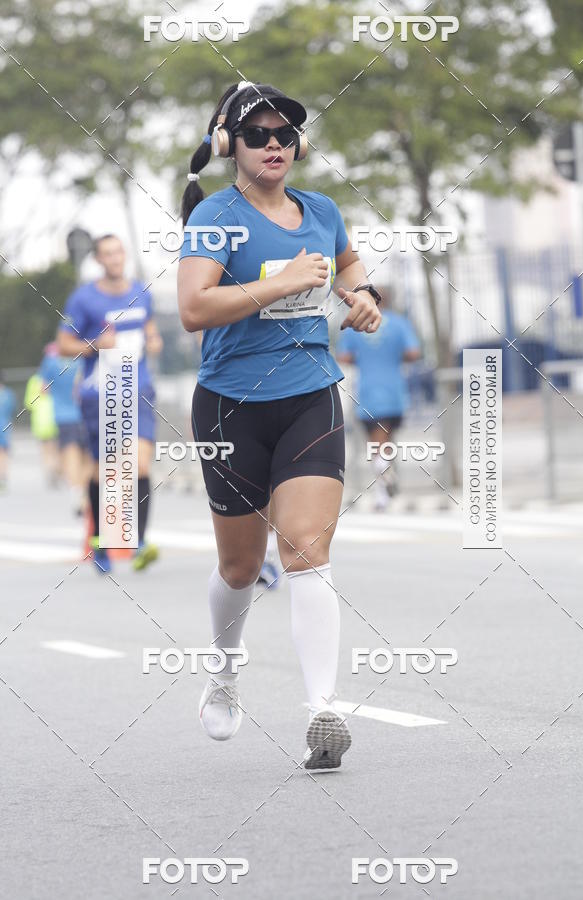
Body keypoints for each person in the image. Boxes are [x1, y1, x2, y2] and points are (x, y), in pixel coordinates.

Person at [177, 81, 382, 770]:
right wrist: (285, 281)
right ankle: (224, 671)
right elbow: (195, 309)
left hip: (309, 396)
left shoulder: (321, 209)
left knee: (303, 546)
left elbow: (347, 262)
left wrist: (363, 296)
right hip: (230, 405)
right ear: (231, 144)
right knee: (240, 566)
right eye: (259, 134)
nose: (274, 144)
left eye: (285, 134)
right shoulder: (215, 215)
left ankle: (323, 711)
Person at [57, 234, 163, 574]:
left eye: (119, 252)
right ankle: (100, 540)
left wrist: (153, 339)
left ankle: (140, 543)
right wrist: (94, 345)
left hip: (139, 389)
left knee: (142, 465)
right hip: (100, 392)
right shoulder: (83, 299)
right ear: (99, 259)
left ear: (125, 255)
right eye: (107, 254)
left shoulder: (140, 292)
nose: (115, 259)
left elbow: (149, 327)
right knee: (105, 471)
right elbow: (63, 345)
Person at [337, 288, 421, 511]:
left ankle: (383, 492)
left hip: (369, 391)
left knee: (377, 445)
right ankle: (386, 484)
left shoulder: (356, 325)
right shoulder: (399, 323)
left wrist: (364, 356)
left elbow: (343, 356)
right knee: (385, 440)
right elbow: (413, 352)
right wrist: (392, 354)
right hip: (395, 391)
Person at [39, 341, 89, 515]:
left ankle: (76, 492)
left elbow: (43, 388)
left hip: (63, 416)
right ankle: (84, 492)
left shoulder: (51, 361)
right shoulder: (85, 357)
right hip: (87, 414)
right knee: (87, 457)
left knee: (70, 455)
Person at [24, 367, 60, 486]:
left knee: (46, 449)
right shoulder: (57, 377)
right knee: (54, 448)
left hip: (41, 421)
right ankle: (54, 470)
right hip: (53, 419)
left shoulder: (34, 380)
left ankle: (50, 470)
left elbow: (28, 403)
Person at [0, 374, 16, 490]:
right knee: (3, 454)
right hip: (4, 426)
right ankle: (3, 479)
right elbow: (12, 409)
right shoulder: (8, 394)